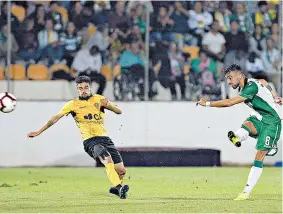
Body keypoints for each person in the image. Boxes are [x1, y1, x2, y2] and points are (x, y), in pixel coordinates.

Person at [27, 76, 129, 199]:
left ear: (90, 87)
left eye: (86, 87)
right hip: (90, 141)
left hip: (105, 139)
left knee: (121, 170)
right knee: (107, 161)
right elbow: (55, 118)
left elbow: (119, 111)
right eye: (80, 88)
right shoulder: (73, 104)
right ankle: (118, 187)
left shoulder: (99, 99)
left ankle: (116, 188)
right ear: (77, 89)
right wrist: (39, 132)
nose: (83, 90)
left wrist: (109, 105)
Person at [197, 64, 282, 201]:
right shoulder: (249, 84)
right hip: (259, 118)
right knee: (247, 123)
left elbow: (229, 102)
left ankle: (246, 192)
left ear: (240, 75)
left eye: (230, 78)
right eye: (227, 79)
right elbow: (264, 82)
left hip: (272, 122)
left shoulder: (251, 87)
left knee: (259, 155)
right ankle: (238, 137)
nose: (229, 82)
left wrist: (207, 104)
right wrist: (274, 95)